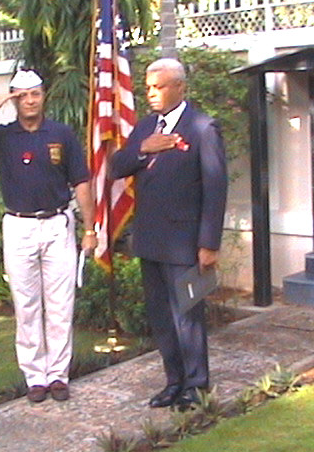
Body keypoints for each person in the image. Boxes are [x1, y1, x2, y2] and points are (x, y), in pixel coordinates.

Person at [0, 69, 97, 403]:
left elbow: (82, 182)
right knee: (27, 305)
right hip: (19, 227)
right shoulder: (2, 136)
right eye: (21, 95)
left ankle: (58, 375)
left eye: (35, 94)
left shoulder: (61, 133)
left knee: (61, 305)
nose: (29, 101)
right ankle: (35, 378)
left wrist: (90, 229)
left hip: (58, 225)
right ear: (14, 98)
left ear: (44, 96)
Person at [110, 58, 228, 408]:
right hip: (149, 240)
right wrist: (143, 148)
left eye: (158, 87)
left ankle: (196, 385)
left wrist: (208, 244)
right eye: (147, 88)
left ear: (179, 87)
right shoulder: (146, 127)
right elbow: (116, 167)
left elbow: (215, 188)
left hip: (185, 244)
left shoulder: (202, 128)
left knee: (187, 317)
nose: (151, 94)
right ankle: (173, 381)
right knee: (161, 317)